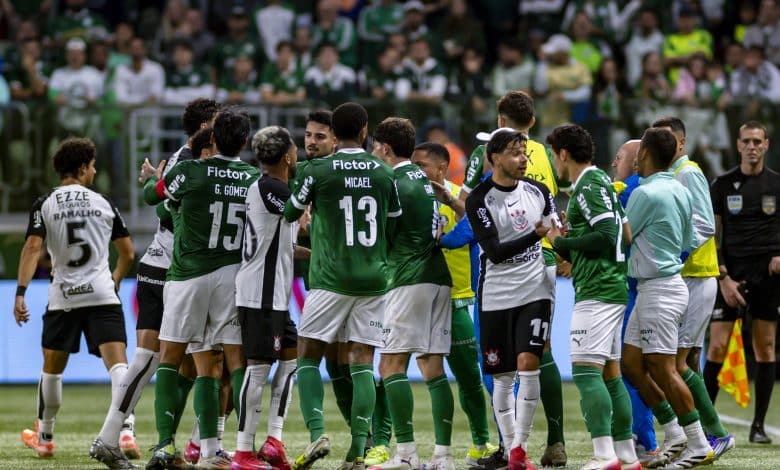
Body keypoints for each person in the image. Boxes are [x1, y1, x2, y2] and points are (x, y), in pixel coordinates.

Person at [283, 102, 401, 470]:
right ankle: (359, 447)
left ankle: (317, 430)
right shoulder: (383, 173)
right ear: (365, 131)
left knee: (308, 355)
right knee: (362, 361)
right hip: (373, 280)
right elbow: (393, 223)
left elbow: (289, 213)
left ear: (335, 134)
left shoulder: (318, 169)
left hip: (330, 279)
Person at [141, 109, 260, 469]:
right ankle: (223, 449)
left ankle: (164, 444)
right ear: (244, 142)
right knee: (221, 362)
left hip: (187, 276)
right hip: (231, 276)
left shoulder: (190, 171)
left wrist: (156, 180)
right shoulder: (253, 178)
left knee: (172, 356)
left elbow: (152, 196)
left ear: (211, 138)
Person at [459, 90, 567, 469]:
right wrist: (537, 235)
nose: (523, 159)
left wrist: (567, 247)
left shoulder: (538, 192)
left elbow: (555, 233)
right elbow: (496, 251)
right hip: (496, 291)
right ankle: (509, 448)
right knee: (501, 375)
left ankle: (519, 448)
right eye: (516, 153)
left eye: (525, 152)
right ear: (495, 158)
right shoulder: (480, 200)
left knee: (529, 362)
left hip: (537, 286)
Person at [15, 138, 136, 469]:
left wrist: (21, 292)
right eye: (93, 165)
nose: (95, 170)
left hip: (63, 297)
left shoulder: (46, 203)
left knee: (52, 370)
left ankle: (45, 439)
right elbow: (128, 252)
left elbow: (31, 248)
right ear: (82, 168)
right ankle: (126, 432)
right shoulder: (103, 203)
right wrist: (116, 277)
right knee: (119, 366)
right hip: (101, 294)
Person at [127, 98, 221, 465]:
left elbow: (160, 199)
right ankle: (128, 429)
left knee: (175, 361)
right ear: (204, 127)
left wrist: (155, 182)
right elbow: (165, 210)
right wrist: (156, 185)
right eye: (216, 121)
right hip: (175, 268)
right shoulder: (188, 160)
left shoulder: (191, 159)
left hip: (171, 267)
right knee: (173, 359)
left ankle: (174, 440)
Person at [544, 124, 640, 470]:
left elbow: (608, 233)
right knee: (611, 374)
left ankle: (604, 455)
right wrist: (579, 252)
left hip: (597, 290)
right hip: (611, 285)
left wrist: (560, 243)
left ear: (564, 154)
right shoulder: (602, 183)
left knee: (586, 372)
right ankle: (627, 455)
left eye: (554, 154)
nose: (554, 161)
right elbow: (625, 233)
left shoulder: (586, 184)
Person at [621, 128, 715, 469]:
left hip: (657, 288)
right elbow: (693, 235)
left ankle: (699, 443)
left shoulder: (645, 194)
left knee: (663, 368)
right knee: (631, 363)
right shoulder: (678, 188)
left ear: (644, 154)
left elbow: (624, 236)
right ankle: (675, 433)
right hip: (665, 284)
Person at [370, 118, 455, 470]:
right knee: (433, 367)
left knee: (390, 364)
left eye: (375, 148)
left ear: (386, 149)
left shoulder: (392, 182)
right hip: (439, 277)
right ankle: (443, 456)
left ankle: (404, 454)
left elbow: (381, 238)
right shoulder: (426, 180)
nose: (374, 154)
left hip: (408, 278)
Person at [651, 117, 735, 458]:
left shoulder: (689, 173)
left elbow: (705, 223)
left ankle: (713, 433)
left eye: (668, 140)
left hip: (696, 275)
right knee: (684, 359)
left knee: (677, 361)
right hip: (683, 277)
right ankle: (699, 431)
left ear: (681, 144)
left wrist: (678, 251)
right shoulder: (669, 175)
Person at [411, 142, 496, 466]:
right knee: (428, 373)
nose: (416, 171)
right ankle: (435, 450)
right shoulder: (408, 195)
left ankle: (481, 442)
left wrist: (452, 202)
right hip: (422, 297)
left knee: (469, 378)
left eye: (422, 166)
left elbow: (474, 225)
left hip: (459, 298)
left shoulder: (462, 195)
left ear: (441, 169)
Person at [232, 126, 305, 470]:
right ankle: (243, 451)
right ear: (288, 157)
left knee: (292, 359)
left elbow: (286, 245)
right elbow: (292, 213)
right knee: (258, 369)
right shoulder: (270, 188)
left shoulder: (273, 189)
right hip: (259, 292)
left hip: (274, 295)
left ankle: (274, 440)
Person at [704, 121, 780, 444]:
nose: (751, 146)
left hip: (768, 276)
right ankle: (704, 425)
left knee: (764, 348)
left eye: (757, 141)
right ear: (737, 145)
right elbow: (710, 235)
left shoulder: (777, 185)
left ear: (766, 145)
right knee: (718, 347)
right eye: (746, 141)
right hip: (730, 276)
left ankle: (758, 426)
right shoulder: (721, 185)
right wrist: (723, 277)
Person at [611, 140, 659, 464]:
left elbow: (613, 237)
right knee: (645, 367)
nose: (614, 163)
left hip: (631, 289)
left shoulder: (627, 191)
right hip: (652, 286)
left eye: (618, 157)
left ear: (636, 160)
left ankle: (645, 438)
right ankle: (648, 436)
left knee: (630, 368)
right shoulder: (657, 189)